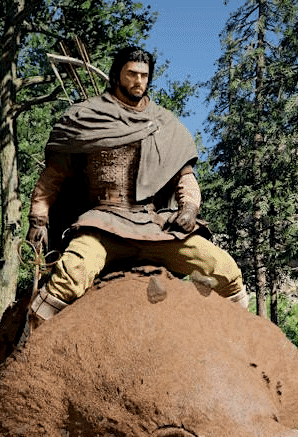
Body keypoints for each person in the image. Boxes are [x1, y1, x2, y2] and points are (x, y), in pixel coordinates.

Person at [26, 45, 247, 324]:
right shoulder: (86, 117)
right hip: (102, 223)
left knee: (225, 270)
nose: (138, 81)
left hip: (152, 225)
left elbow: (185, 177)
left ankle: (243, 338)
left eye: (144, 75)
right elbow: (53, 176)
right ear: (116, 75)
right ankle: (31, 340)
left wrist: (190, 208)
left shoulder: (164, 123)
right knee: (71, 275)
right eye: (131, 74)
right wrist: (38, 219)